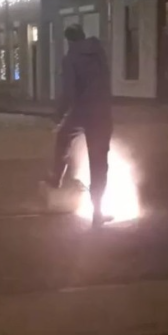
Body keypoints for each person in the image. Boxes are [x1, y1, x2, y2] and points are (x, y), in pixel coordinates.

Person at [47, 24, 113, 227]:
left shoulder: (70, 59)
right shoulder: (99, 53)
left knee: (63, 138)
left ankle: (56, 177)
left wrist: (59, 115)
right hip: (102, 112)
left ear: (69, 41)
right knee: (99, 162)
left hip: (81, 111)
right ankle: (98, 213)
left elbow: (69, 92)